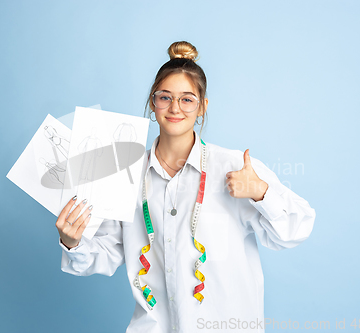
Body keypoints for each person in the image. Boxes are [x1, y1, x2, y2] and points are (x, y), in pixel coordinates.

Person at [55, 41, 316, 333]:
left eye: (187, 99)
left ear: (203, 107)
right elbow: (104, 255)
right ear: (153, 103)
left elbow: (296, 230)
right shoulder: (126, 174)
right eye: (165, 97)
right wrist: (72, 241)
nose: (175, 108)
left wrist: (260, 192)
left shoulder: (235, 169)